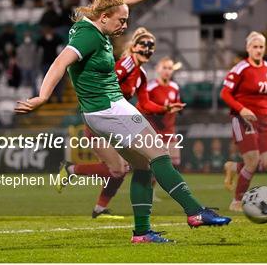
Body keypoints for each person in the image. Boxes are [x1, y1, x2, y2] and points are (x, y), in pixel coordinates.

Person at [15, 0, 231, 243]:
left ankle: (142, 233)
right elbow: (60, 61)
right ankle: (195, 212)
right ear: (104, 17)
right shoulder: (89, 36)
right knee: (159, 154)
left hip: (103, 110)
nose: (125, 26)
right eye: (121, 21)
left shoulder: (95, 24)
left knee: (142, 166)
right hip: (109, 107)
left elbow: (122, 2)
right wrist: (43, 96)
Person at [61, 28, 184, 219]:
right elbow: (106, 85)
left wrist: (166, 109)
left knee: (121, 169)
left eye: (151, 48)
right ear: (133, 47)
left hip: (115, 121)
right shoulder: (126, 64)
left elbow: (145, 103)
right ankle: (71, 170)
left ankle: (99, 207)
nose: (147, 50)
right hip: (101, 119)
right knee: (118, 169)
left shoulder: (140, 74)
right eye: (143, 46)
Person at [220, 31, 267, 212]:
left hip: (265, 121)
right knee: (252, 160)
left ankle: (234, 167)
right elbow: (224, 93)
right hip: (243, 119)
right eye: (255, 47)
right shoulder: (240, 69)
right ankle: (237, 201)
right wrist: (242, 109)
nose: (258, 50)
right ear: (248, 48)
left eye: (261, 47)